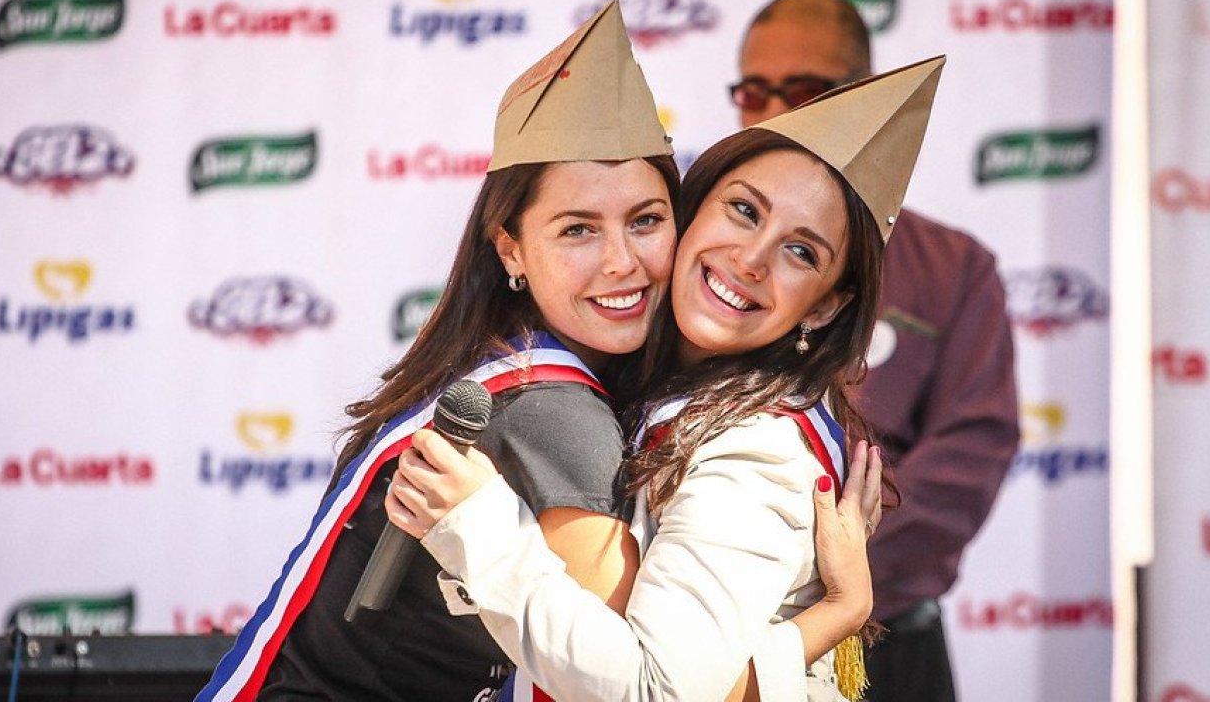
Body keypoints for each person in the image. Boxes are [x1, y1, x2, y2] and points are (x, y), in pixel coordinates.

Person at [199, 1, 872, 702]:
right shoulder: (556, 416)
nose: (621, 262)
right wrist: (833, 615)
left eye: (645, 221)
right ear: (511, 249)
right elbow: (640, 688)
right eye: (578, 230)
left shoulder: (511, 360)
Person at [387, 57, 946, 702]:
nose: (751, 259)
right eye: (744, 211)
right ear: (691, 211)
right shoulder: (669, 391)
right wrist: (836, 614)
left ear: (823, 307)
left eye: (801, 252)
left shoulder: (752, 452)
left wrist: (476, 525)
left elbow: (657, 693)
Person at [733, 0, 1021, 701]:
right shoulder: (705, 259)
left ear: (865, 95)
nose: (776, 114)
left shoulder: (951, 269)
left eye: (803, 90)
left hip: (885, 643)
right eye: (755, 92)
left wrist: (824, 570)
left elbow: (969, 456)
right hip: (718, 636)